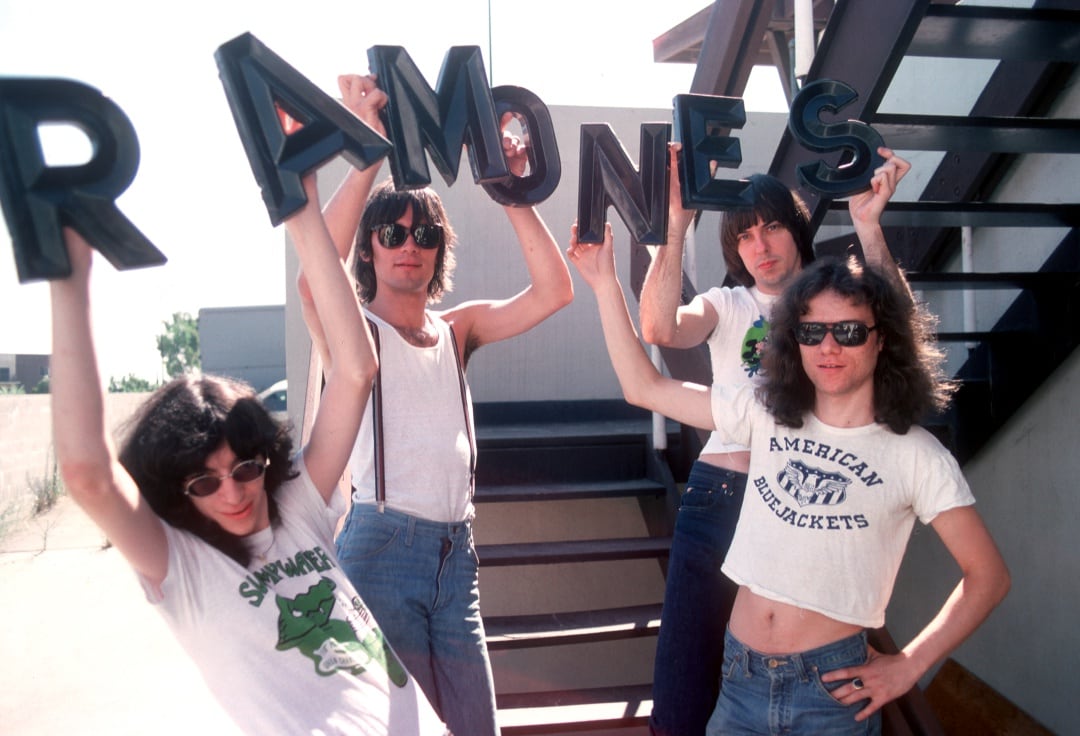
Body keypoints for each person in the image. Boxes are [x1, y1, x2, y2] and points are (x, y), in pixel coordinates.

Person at [568, 222, 1010, 735]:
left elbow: (988, 575)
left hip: (829, 696)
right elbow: (643, 386)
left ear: (880, 338)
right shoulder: (767, 414)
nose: (828, 347)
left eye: (848, 331)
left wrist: (909, 664)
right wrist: (604, 284)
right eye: (811, 330)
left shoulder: (916, 455)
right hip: (740, 681)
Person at [48, 169, 449, 735]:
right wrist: (70, 274)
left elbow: (357, 370)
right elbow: (89, 474)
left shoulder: (298, 508)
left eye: (244, 468)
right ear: (175, 490)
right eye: (204, 483)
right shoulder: (182, 564)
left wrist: (302, 203)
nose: (234, 493)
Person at [299, 74, 574, 736]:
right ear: (368, 249)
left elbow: (554, 291)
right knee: (402, 729)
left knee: (477, 725)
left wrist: (507, 187)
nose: (408, 244)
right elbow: (315, 279)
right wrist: (368, 161)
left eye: (423, 233)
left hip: (458, 556)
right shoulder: (355, 330)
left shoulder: (457, 329)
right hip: (381, 546)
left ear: (438, 251)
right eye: (391, 234)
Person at [638, 142, 912, 735]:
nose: (759, 247)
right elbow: (660, 327)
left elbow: (900, 333)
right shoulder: (729, 303)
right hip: (722, 495)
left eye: (770, 229)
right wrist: (677, 225)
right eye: (743, 236)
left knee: (794, 671)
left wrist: (867, 227)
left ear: (796, 229)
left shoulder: (833, 300)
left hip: (806, 497)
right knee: (686, 684)